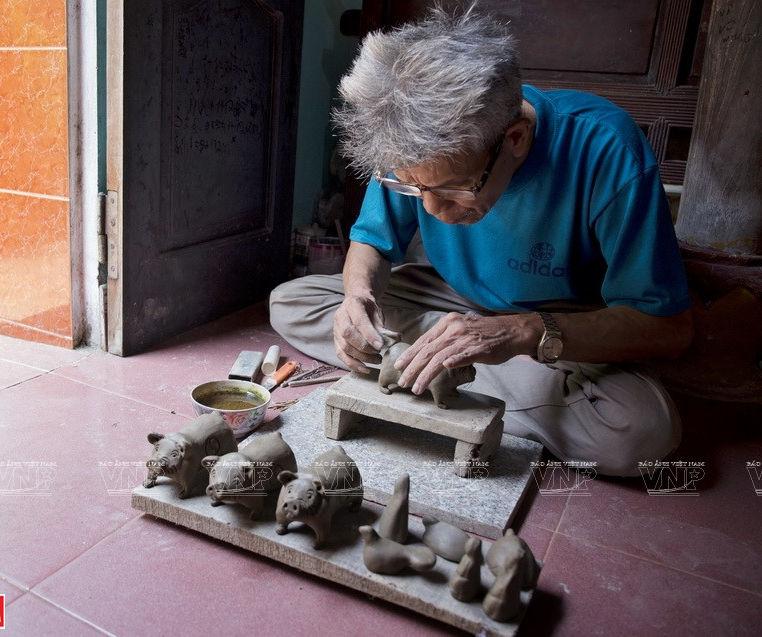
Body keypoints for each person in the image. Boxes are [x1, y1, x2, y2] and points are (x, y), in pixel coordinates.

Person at [269, 7, 693, 477]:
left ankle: (438, 359)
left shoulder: (607, 148)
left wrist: (518, 333)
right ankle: (453, 357)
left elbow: (668, 329)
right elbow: (371, 242)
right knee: (292, 301)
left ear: (515, 138)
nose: (433, 210)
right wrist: (358, 295)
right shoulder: (408, 144)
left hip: (562, 317)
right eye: (413, 188)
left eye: (456, 188)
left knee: (638, 434)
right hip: (452, 296)